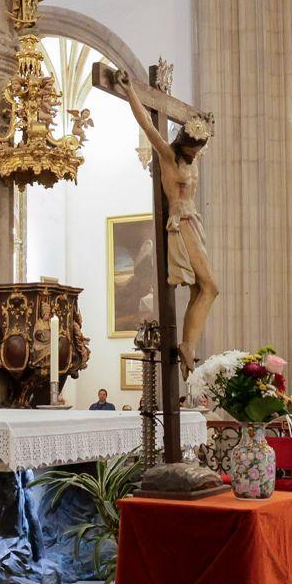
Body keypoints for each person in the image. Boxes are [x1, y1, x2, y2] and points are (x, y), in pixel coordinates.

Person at [114, 68, 218, 369]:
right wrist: (131, 91)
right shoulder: (169, 156)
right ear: (182, 143)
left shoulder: (192, 155)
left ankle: (188, 345)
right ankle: (187, 345)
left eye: (198, 151)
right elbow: (147, 124)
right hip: (180, 221)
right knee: (211, 287)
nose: (195, 155)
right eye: (192, 150)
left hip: (193, 221)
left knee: (202, 289)